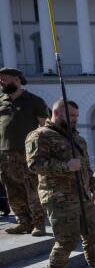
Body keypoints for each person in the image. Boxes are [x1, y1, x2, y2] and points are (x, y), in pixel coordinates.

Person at [25, 100, 95, 268]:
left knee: (94, 236)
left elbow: (86, 166)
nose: (74, 120)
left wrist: (93, 188)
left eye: (76, 116)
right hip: (59, 197)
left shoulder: (77, 138)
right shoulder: (40, 136)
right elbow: (34, 165)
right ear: (55, 112)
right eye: (71, 116)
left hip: (83, 195)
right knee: (68, 240)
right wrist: (66, 166)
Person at [0, 68, 49, 236]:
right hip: (4, 154)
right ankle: (23, 222)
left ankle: (39, 224)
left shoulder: (34, 101)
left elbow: (44, 127)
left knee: (33, 189)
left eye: (5, 80)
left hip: (28, 153)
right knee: (12, 190)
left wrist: (42, 150)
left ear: (17, 79)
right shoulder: (1, 100)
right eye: (0, 80)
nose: (2, 83)